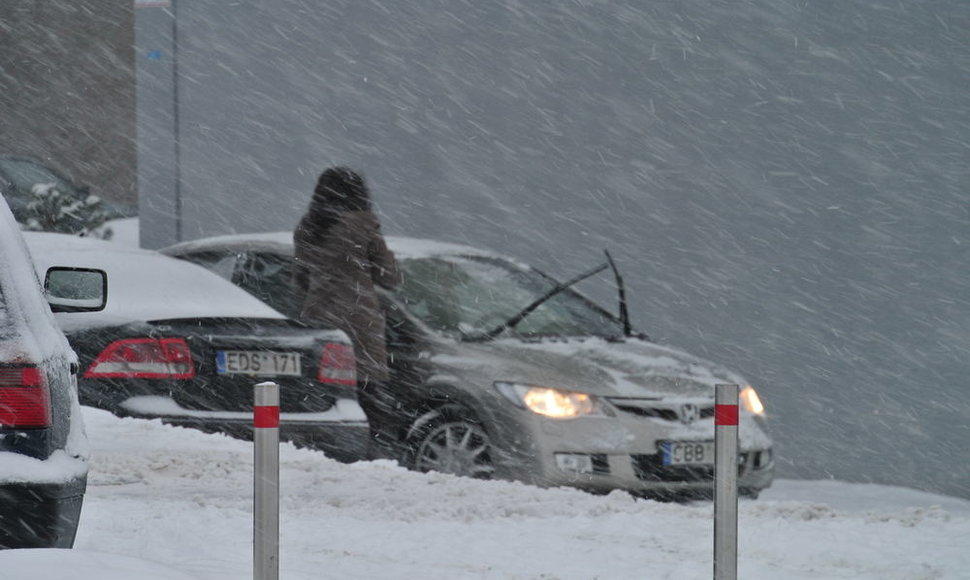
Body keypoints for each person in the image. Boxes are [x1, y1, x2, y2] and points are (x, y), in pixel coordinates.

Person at [292, 166, 401, 458]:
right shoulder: (363, 226)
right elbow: (389, 277)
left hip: (318, 320)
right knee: (369, 393)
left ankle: (325, 450)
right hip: (359, 320)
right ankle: (371, 454)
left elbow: (300, 278)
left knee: (326, 389)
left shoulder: (307, 227)